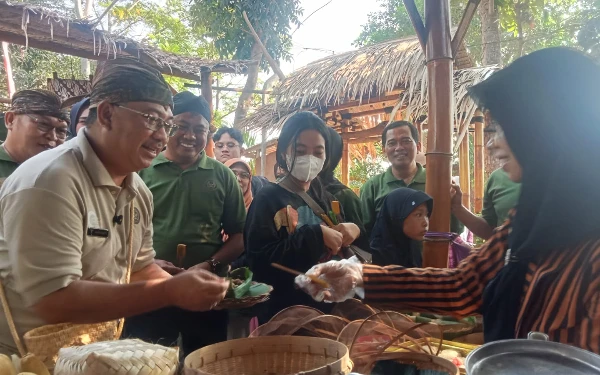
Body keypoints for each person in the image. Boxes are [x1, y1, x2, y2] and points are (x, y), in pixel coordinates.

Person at [297, 48, 600, 352]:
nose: (493, 142)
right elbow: (463, 286)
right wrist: (359, 276)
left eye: (506, 127)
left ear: (548, 128)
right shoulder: (528, 221)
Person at [0, 58, 229, 356]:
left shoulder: (138, 191)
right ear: (107, 114)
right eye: (151, 119)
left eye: (166, 124)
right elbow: (52, 300)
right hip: (26, 360)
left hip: (90, 353)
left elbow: (140, 267)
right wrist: (170, 291)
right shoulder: (50, 181)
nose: (162, 136)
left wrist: (194, 288)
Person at [125, 91, 246, 354]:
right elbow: (118, 231)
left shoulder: (223, 176)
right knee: (146, 364)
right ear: (166, 126)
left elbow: (239, 236)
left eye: (199, 129)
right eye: (181, 126)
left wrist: (210, 265)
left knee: (206, 361)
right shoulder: (140, 170)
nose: (190, 136)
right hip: (149, 289)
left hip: (204, 291)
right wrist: (147, 263)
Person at [245, 111, 360, 321]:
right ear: (283, 152)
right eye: (300, 150)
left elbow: (339, 248)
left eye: (318, 152)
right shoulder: (268, 199)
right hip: (283, 316)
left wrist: (353, 229)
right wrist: (314, 235)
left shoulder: (324, 197)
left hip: (327, 313)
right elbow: (258, 263)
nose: (310, 158)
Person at [360, 121, 463, 237]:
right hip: (387, 255)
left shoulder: (438, 182)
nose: (399, 148)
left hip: (433, 254)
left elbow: (456, 229)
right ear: (384, 150)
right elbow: (365, 231)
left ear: (418, 146)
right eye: (392, 143)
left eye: (406, 141)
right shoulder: (372, 187)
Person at [451, 135, 521, 239]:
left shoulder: (552, 181)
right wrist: (458, 208)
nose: (490, 144)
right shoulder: (497, 178)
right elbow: (489, 231)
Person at [0, 89, 69, 181]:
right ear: (10, 120)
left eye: (61, 130)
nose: (53, 137)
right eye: (43, 124)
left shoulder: (65, 169)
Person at [317, 127, 365, 237]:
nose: (310, 156)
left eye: (319, 150)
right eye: (301, 150)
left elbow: (362, 241)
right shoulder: (293, 190)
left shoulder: (344, 196)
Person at [370, 188, 432, 267]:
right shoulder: (376, 257)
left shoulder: (412, 247)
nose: (425, 223)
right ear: (397, 216)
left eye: (426, 215)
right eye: (418, 215)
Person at [213, 126, 269, 195]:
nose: (225, 149)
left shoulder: (259, 184)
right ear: (214, 151)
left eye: (230, 145)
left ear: (241, 151)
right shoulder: (206, 181)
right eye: (220, 146)